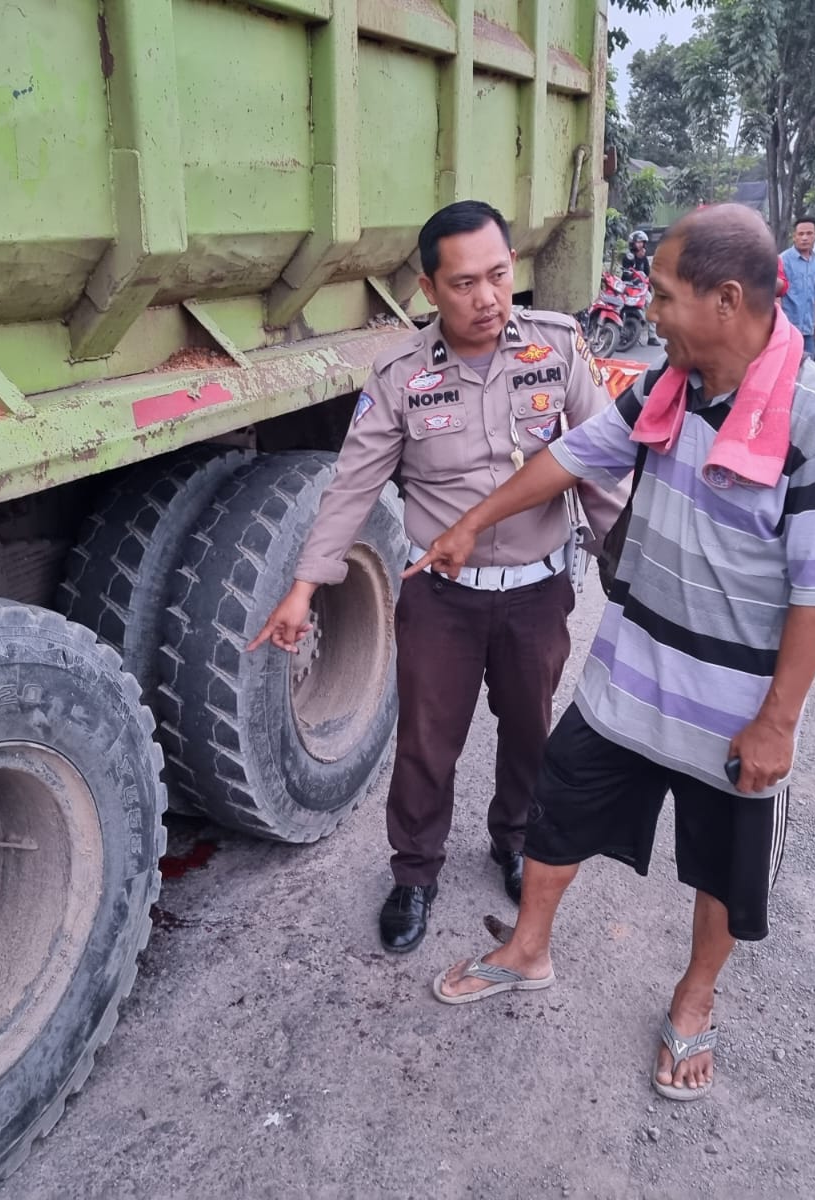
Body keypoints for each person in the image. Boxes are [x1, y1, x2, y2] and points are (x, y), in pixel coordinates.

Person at [419, 205, 815, 1104]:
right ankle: (528, 949)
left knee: (722, 868)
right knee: (558, 808)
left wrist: (777, 723)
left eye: (665, 296)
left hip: (733, 708)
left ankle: (695, 1001)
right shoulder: (670, 386)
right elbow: (573, 458)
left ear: (727, 299)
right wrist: (472, 522)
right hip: (630, 673)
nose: (652, 311)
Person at [247, 200, 621, 954]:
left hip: (538, 592)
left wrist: (633, 569)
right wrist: (303, 588)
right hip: (442, 602)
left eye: (499, 275)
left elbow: (600, 465)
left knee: (529, 732)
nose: (486, 298)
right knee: (426, 743)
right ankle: (415, 873)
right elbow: (351, 488)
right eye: (464, 284)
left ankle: (512, 841)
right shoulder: (401, 376)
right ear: (429, 289)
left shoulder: (555, 349)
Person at [779, 216, 815, 357]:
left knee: (808, 369)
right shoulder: (783, 260)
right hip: (789, 327)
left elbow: (814, 292)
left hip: (808, 328)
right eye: (801, 234)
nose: (805, 238)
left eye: (809, 234)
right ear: (794, 237)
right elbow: (777, 295)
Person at [621, 231, 660, 347]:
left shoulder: (643, 257)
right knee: (617, 304)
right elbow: (625, 272)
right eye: (638, 242)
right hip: (628, 286)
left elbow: (648, 273)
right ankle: (616, 330)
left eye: (642, 242)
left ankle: (652, 336)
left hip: (641, 288)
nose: (640, 245)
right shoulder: (628, 256)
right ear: (632, 243)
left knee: (651, 304)